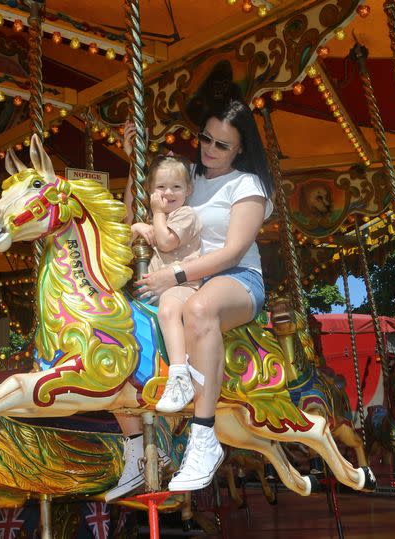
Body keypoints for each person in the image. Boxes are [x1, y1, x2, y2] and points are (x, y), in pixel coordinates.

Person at [122, 99, 274, 492]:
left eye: (222, 145)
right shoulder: (186, 175)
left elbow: (232, 251)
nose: (210, 149)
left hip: (235, 279)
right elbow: (134, 215)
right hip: (184, 283)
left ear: (240, 148)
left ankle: (204, 437)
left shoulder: (247, 185)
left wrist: (173, 274)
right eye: (206, 139)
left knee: (200, 307)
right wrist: (133, 166)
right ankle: (138, 443)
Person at [105, 154, 203, 500]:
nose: (168, 192)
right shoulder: (156, 215)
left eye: (176, 186)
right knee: (117, 362)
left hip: (184, 288)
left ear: (188, 190)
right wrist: (136, 226)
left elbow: (166, 243)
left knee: (166, 312)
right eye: (160, 187)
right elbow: (124, 235)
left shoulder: (186, 215)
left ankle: (178, 371)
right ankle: (138, 449)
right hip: (154, 295)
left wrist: (156, 216)